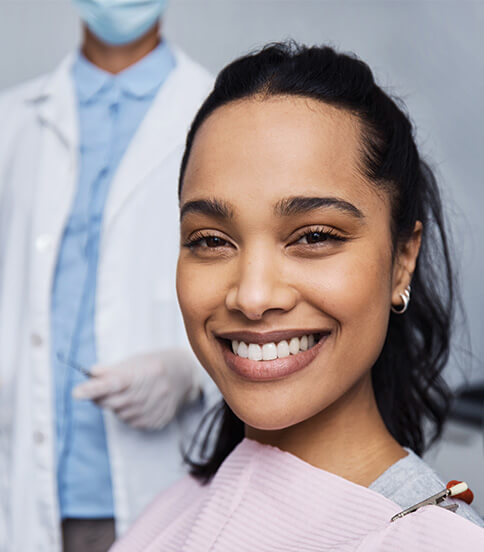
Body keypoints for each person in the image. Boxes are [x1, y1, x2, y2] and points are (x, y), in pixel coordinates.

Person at [111, 42, 484, 551]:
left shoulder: (429, 539)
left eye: (313, 236)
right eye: (211, 240)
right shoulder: (175, 506)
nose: (254, 296)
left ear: (402, 259)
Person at [0, 1, 215, 551]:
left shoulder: (219, 115)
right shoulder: (12, 121)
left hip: (160, 490)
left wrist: (192, 373)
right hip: (20, 485)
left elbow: (260, 288)